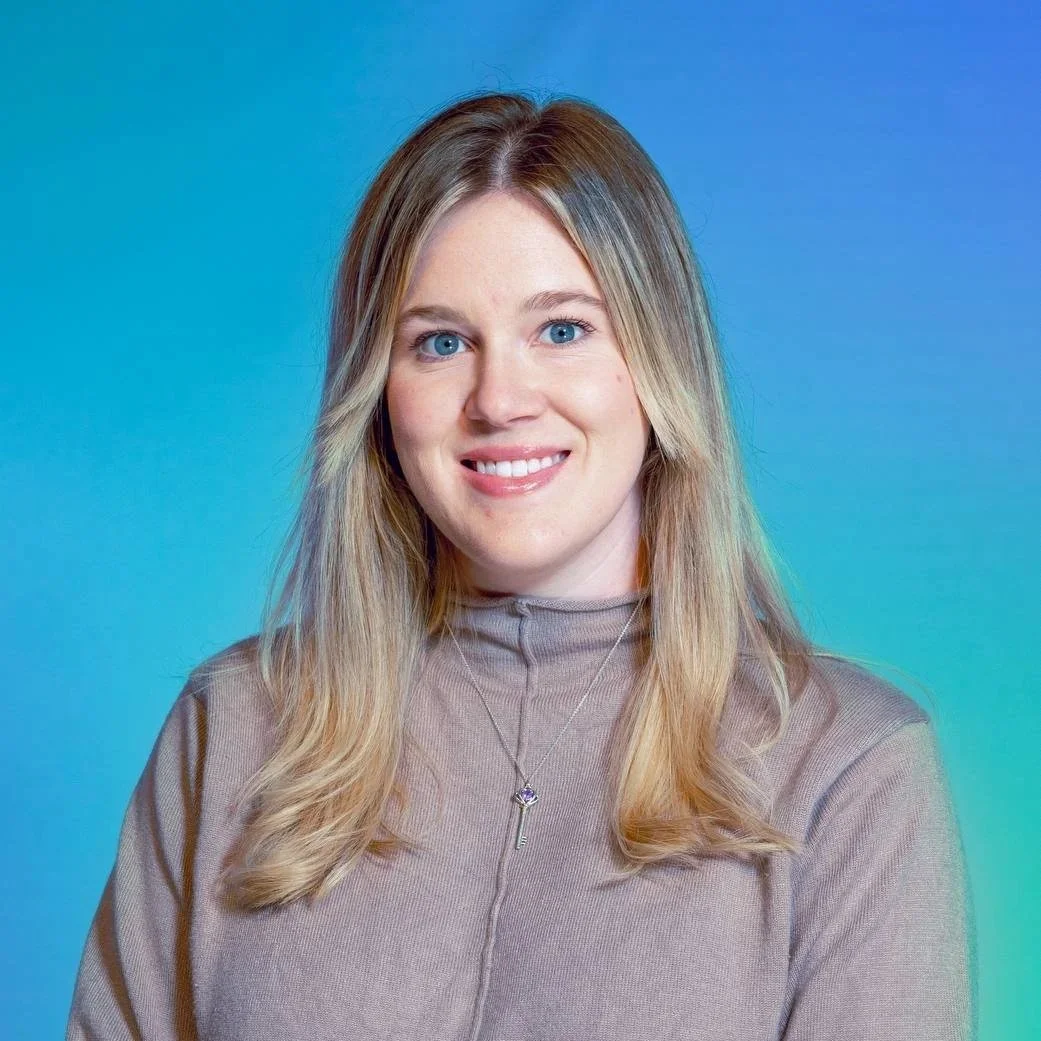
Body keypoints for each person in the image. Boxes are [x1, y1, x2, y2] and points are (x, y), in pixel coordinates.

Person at [67, 91, 975, 1040]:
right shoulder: (234, 726)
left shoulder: (849, 770)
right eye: (441, 342)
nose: (498, 398)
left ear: (659, 360)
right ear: (379, 395)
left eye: (563, 329)